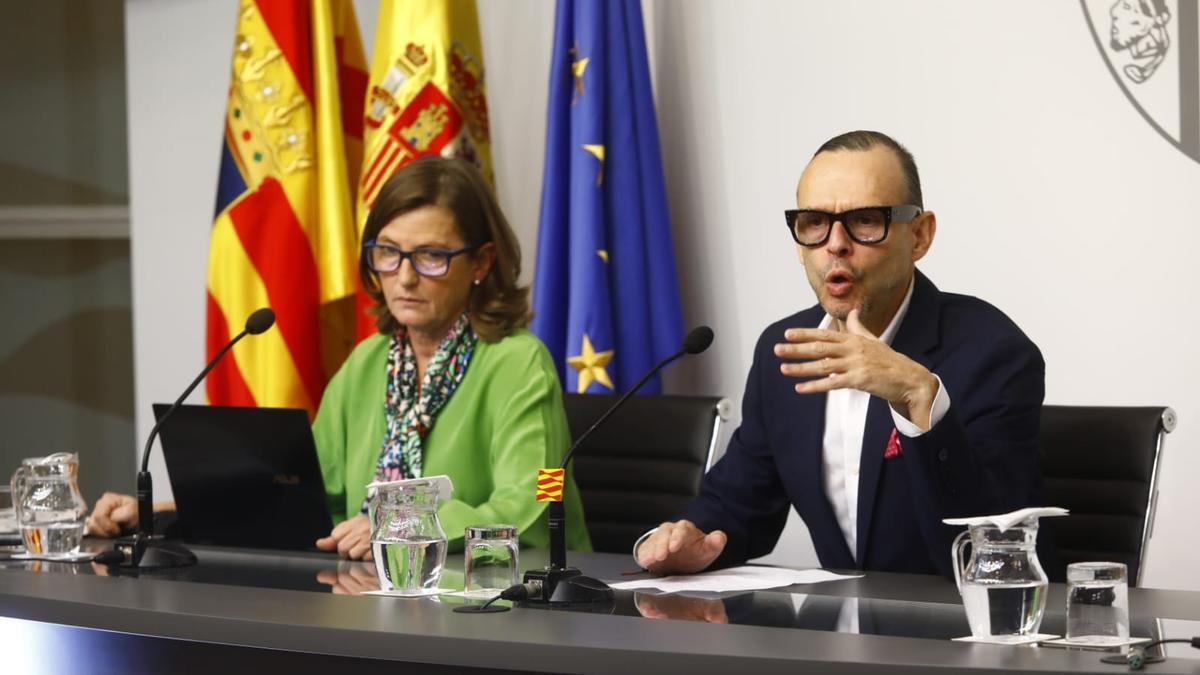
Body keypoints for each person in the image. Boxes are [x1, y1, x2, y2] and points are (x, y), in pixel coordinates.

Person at [89, 157, 591, 560]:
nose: (405, 277)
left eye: (431, 256)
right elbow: (302, 495)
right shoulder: (369, 363)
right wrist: (158, 513)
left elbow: (534, 501)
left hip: (497, 602)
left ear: (481, 262)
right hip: (372, 595)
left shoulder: (520, 364)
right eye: (388, 252)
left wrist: (398, 527)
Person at [636, 131, 1046, 577]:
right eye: (814, 222)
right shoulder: (787, 352)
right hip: (842, 639)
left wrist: (918, 397)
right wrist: (678, 541)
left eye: (865, 220)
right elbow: (740, 505)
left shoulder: (993, 353)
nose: (835, 244)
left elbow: (992, 553)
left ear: (920, 236)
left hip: (962, 634)